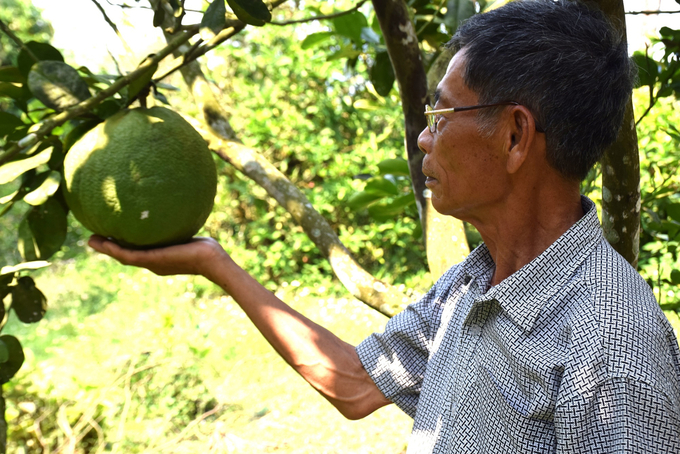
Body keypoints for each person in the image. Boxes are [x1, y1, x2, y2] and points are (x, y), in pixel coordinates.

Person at [89, 0, 680, 452]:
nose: (424, 136)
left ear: (515, 135)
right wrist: (212, 263)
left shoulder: (612, 354)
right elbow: (354, 382)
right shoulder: (476, 285)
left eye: (442, 113)